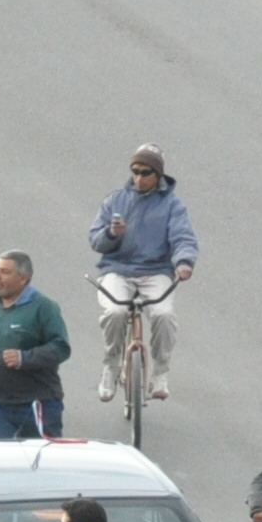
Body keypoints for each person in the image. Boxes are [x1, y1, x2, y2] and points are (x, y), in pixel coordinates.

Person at [86, 144, 196, 405]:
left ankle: (159, 374)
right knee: (114, 312)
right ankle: (111, 368)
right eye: (135, 171)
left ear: (158, 174)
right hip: (117, 270)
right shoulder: (115, 200)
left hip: (156, 271)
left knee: (164, 315)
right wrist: (112, 234)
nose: (139, 178)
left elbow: (183, 237)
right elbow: (95, 240)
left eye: (146, 172)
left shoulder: (172, 205)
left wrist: (184, 262)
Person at [0, 251, 69, 440]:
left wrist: (24, 358)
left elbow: (61, 348)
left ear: (23, 279)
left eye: (5, 272)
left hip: (36, 404)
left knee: (40, 462)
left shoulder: (43, 307)